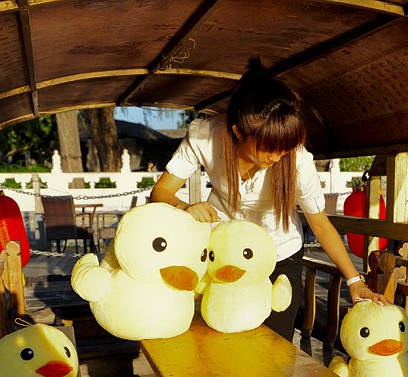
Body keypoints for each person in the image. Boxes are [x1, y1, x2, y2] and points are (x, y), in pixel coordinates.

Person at [150, 57, 387, 341]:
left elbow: (321, 224)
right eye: (267, 149)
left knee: (276, 346)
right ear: (237, 131)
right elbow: (161, 192)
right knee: (220, 336)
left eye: (283, 150)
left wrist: (354, 280)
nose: (276, 158)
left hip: (280, 256)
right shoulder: (205, 137)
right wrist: (186, 208)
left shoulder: (297, 158)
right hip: (225, 254)